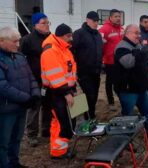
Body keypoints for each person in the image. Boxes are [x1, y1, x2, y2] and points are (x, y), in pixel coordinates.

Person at [114, 24, 148, 143]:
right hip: (128, 89)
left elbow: (145, 63)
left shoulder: (138, 45)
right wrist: (141, 53)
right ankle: (126, 142)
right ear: (127, 33)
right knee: (128, 116)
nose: (139, 35)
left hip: (141, 88)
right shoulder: (121, 47)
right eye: (136, 33)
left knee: (147, 112)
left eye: (139, 33)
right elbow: (128, 63)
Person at [0, 27, 40, 168]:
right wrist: (26, 98)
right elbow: (3, 87)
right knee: (3, 142)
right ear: (1, 41)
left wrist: (35, 95)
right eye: (14, 41)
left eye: (19, 41)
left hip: (21, 107)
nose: (18, 44)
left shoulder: (19, 56)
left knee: (16, 139)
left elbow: (30, 77)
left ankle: (14, 163)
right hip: (5, 110)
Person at [41, 24, 77, 159]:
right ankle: (58, 151)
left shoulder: (63, 49)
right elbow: (55, 76)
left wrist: (72, 88)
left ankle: (59, 150)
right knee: (63, 123)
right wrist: (67, 93)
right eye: (69, 36)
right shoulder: (51, 50)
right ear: (61, 36)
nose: (71, 38)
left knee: (61, 122)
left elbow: (68, 71)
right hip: (57, 93)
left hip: (63, 91)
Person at [20, 12, 52, 147]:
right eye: (43, 23)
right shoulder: (28, 40)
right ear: (35, 25)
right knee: (34, 107)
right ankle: (32, 134)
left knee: (48, 105)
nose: (47, 25)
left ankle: (46, 130)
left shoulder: (52, 38)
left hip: (50, 79)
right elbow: (21, 59)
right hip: (34, 80)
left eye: (48, 23)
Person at [72, 11, 103, 119]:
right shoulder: (79, 33)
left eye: (97, 21)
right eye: (94, 21)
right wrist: (74, 69)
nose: (96, 23)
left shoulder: (98, 35)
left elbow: (99, 51)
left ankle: (90, 115)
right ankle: (86, 117)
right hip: (83, 71)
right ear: (87, 20)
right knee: (87, 95)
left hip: (96, 71)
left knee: (94, 95)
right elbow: (71, 51)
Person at [99, 9, 124, 111]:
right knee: (110, 82)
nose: (118, 18)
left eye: (119, 16)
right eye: (116, 16)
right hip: (110, 61)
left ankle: (123, 100)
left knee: (121, 82)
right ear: (110, 17)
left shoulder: (122, 29)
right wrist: (102, 59)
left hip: (121, 61)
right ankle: (111, 102)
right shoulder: (104, 29)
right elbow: (99, 45)